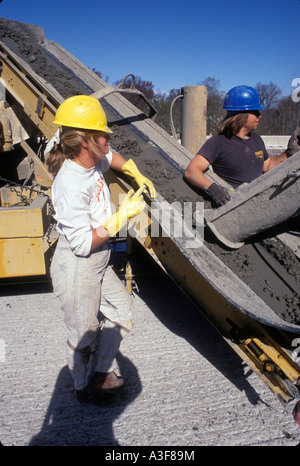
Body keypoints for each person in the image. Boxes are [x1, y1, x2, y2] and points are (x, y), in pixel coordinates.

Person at [46, 95, 156, 404]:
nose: (109, 138)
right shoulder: (69, 182)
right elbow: (81, 243)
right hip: (77, 263)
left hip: (97, 260)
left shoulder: (92, 159)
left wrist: (134, 171)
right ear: (85, 141)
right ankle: (83, 388)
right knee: (85, 333)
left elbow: (113, 157)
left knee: (121, 312)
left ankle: (99, 373)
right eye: (103, 134)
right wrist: (122, 216)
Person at [185, 85, 300, 206]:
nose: (259, 115)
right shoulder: (218, 142)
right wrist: (212, 188)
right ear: (241, 116)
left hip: (258, 203)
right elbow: (191, 171)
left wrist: (289, 152)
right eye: (255, 112)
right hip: (234, 206)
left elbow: (267, 166)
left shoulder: (256, 139)